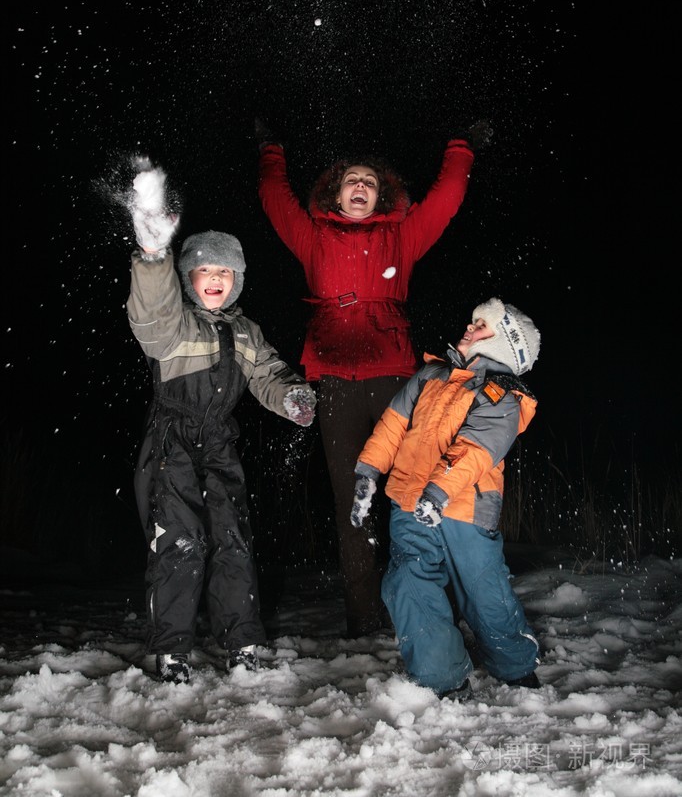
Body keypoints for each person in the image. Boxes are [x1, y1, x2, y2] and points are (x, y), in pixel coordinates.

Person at [256, 119, 491, 637]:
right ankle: (362, 617)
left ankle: (423, 608)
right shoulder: (313, 237)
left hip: (395, 381)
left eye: (368, 181)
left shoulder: (400, 238)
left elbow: (447, 197)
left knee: (411, 492)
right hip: (336, 382)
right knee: (352, 503)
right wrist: (271, 149)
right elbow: (275, 199)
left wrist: (461, 146)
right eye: (350, 180)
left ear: (380, 195)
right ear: (335, 195)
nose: (359, 185)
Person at [125, 158, 317, 684]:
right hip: (170, 442)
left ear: (237, 281)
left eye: (225, 272)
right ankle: (172, 649)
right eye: (205, 271)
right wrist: (153, 257)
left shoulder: (244, 331)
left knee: (232, 540)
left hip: (219, 445)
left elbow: (270, 374)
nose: (215, 279)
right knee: (180, 543)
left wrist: (291, 397)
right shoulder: (173, 325)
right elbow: (151, 315)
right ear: (189, 278)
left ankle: (243, 641)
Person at [350, 297, 542, 699]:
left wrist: (437, 493)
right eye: (472, 321)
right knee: (408, 582)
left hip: (464, 509)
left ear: (506, 345)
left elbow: (475, 449)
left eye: (482, 326)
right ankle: (443, 677)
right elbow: (393, 423)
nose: (470, 328)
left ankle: (516, 665)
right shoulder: (432, 374)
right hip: (408, 502)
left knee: (482, 592)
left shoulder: (501, 393)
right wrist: (369, 470)